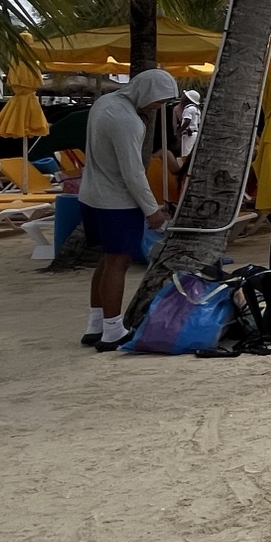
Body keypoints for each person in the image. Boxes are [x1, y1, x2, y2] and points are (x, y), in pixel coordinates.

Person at [78, 68, 179, 350]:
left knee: (106, 259)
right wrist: (152, 210)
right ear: (145, 93)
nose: (156, 108)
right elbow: (133, 172)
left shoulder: (105, 103)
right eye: (157, 102)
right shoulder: (127, 120)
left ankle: (95, 324)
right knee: (118, 263)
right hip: (116, 201)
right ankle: (112, 331)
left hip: (91, 195)